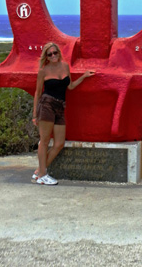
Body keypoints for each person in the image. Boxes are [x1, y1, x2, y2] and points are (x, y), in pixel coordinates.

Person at [31, 42, 95, 185]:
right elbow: (38, 92)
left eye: (55, 53)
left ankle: (39, 171)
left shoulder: (65, 66)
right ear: (46, 57)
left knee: (59, 143)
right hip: (46, 105)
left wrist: (84, 76)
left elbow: (70, 86)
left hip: (60, 106)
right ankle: (42, 175)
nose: (53, 56)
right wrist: (35, 114)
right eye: (50, 54)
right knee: (44, 141)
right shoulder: (43, 71)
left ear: (59, 53)